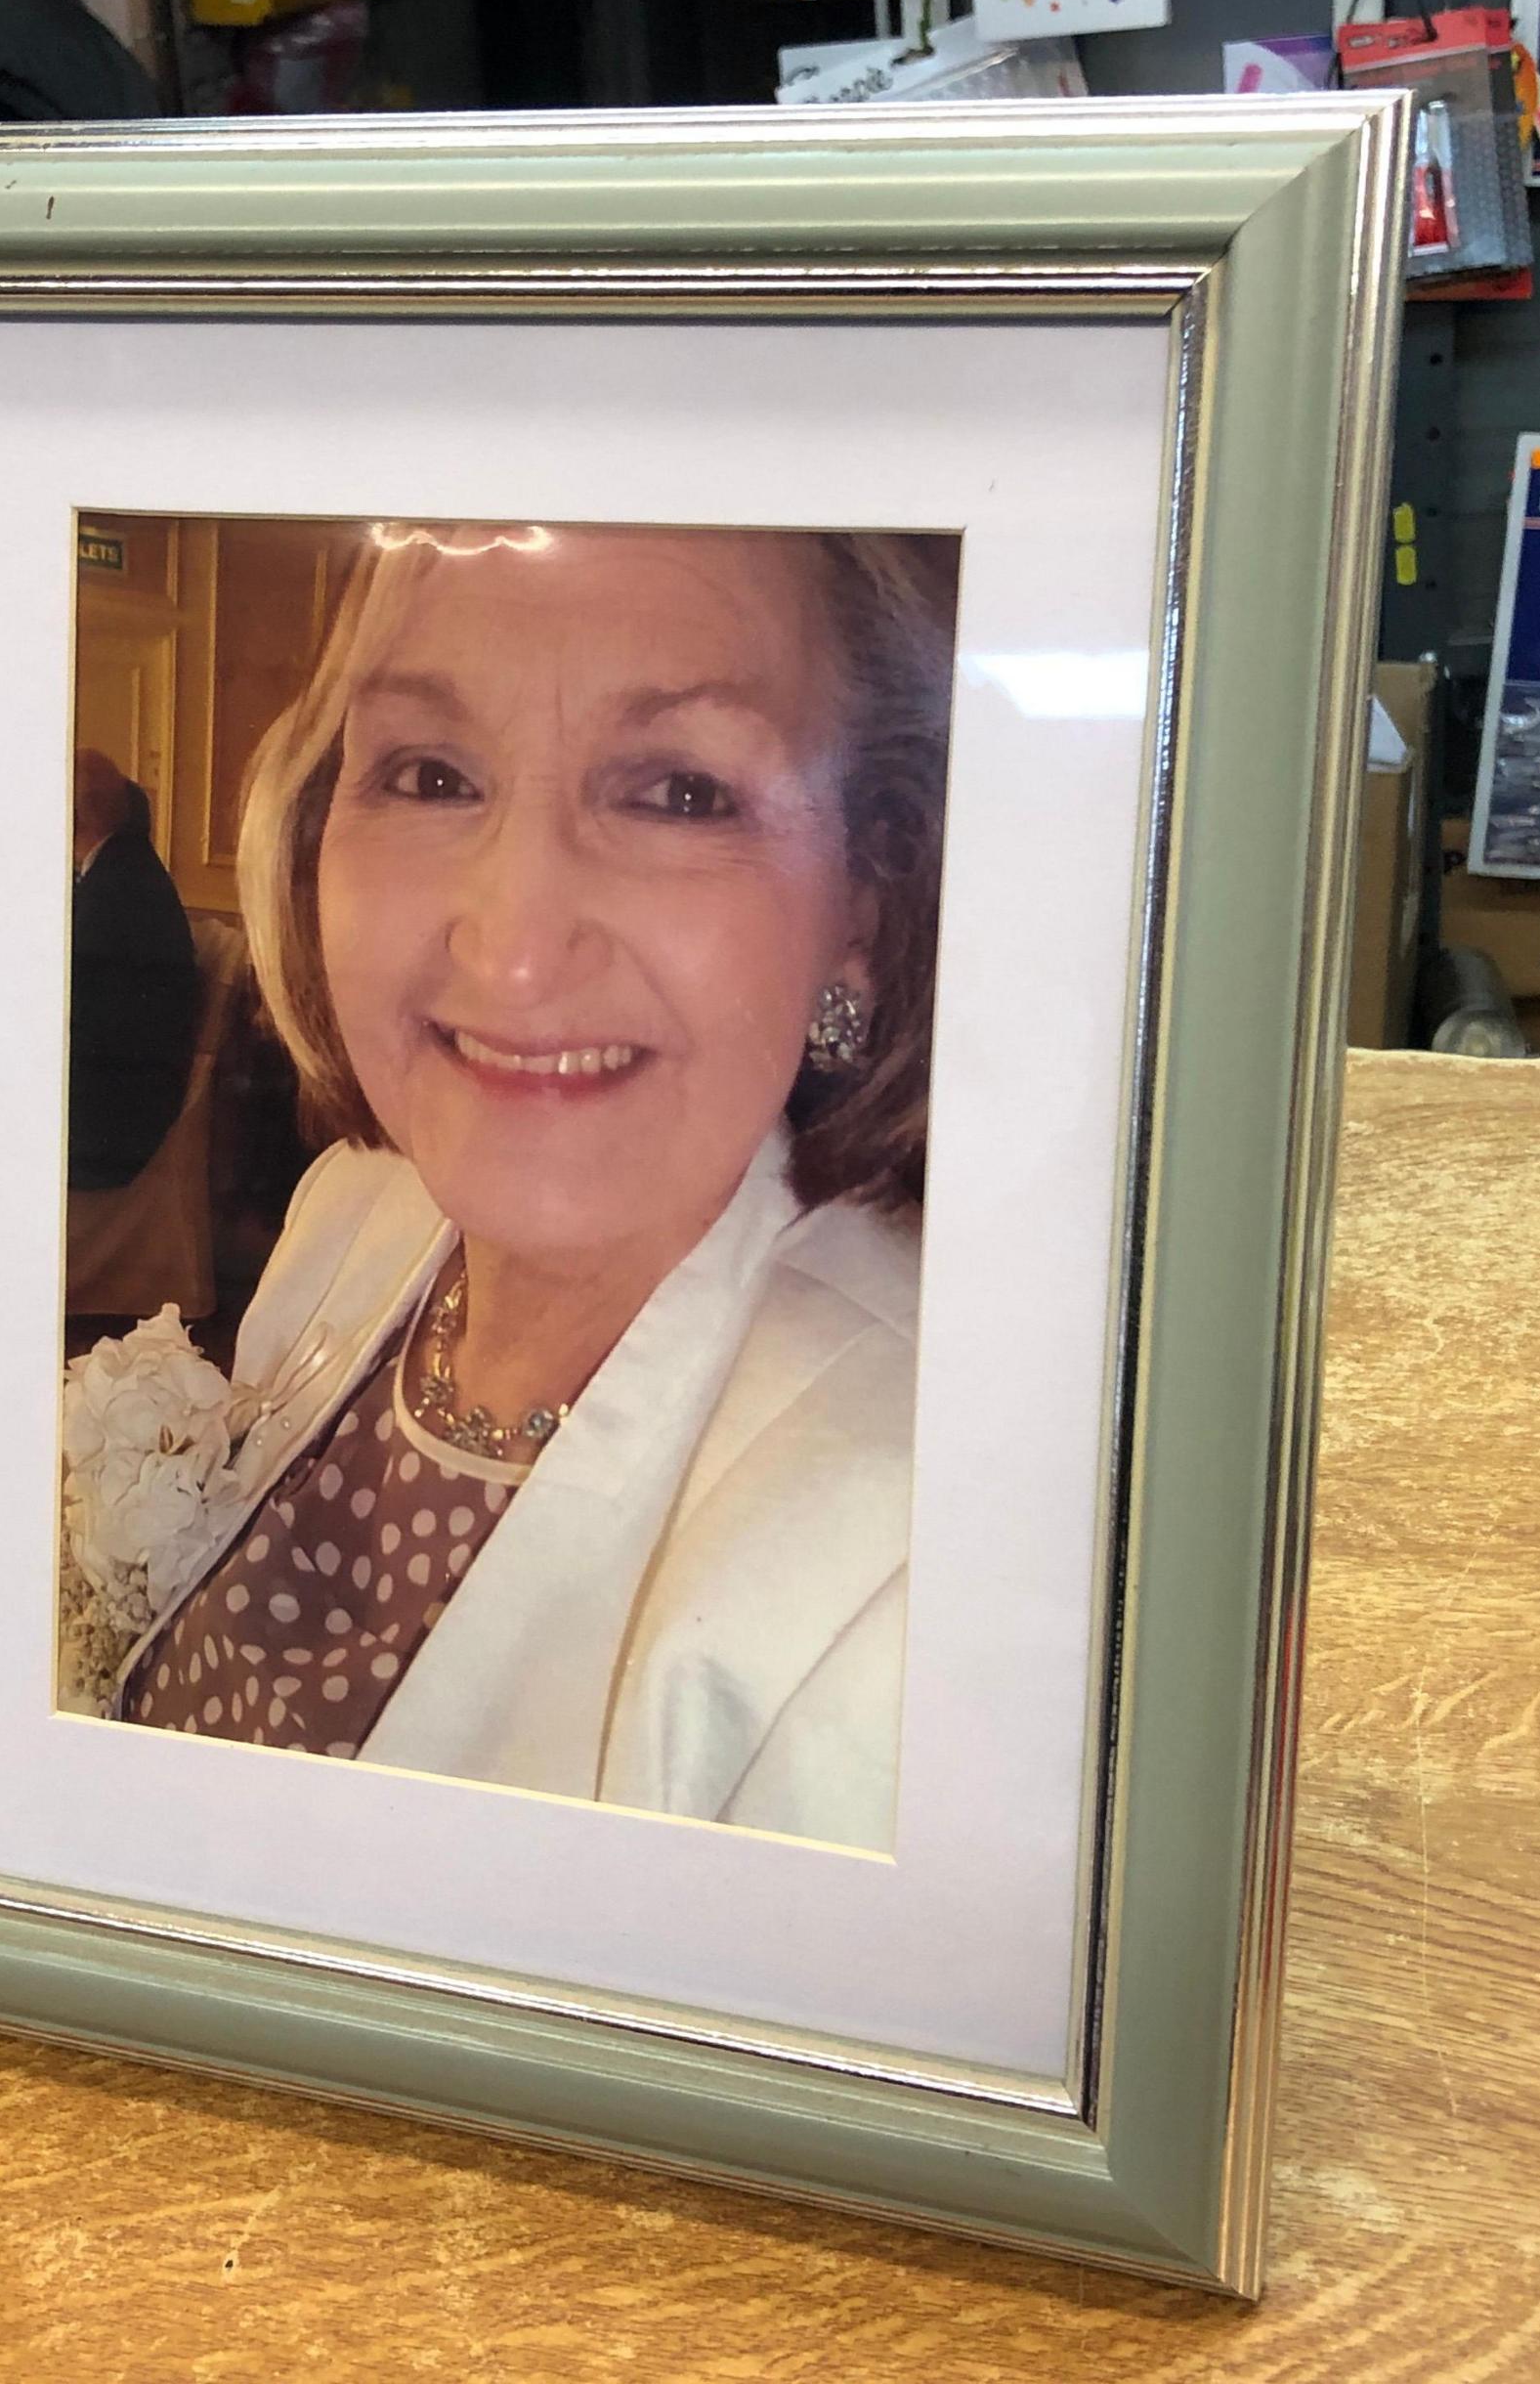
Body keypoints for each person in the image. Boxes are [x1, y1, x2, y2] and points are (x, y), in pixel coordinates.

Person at [104, 522, 957, 1852]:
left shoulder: (907, 1581)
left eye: (677, 792)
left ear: (866, 898)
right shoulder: (353, 1217)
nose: (509, 949)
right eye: (432, 774)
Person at [68, 753, 200, 1193]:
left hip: (107, 1133)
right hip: (123, 1110)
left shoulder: (113, 893)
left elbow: (72, 1018)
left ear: (72, 813)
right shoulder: (127, 871)